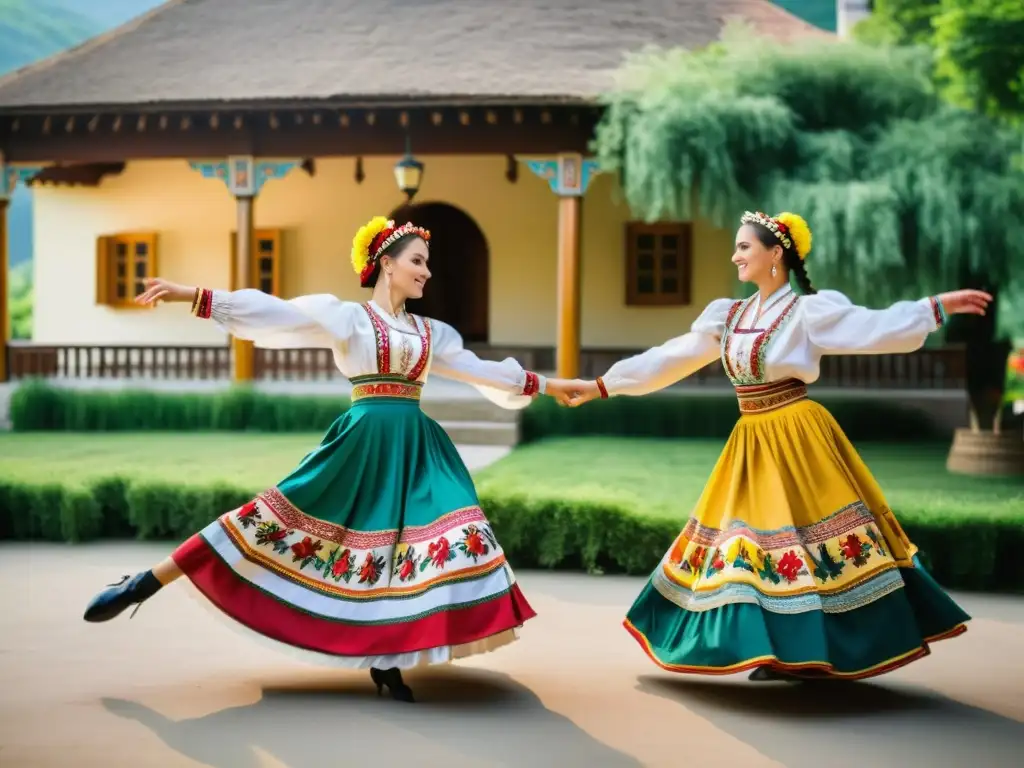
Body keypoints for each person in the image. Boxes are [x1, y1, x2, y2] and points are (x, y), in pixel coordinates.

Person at [83, 216, 580, 702]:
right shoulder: (348, 318)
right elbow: (274, 314)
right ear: (387, 263)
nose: (427, 271)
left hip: (416, 447)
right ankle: (145, 583)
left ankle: (389, 653)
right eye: (418, 261)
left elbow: (482, 372)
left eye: (428, 264)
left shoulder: (432, 334)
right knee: (268, 518)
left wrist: (555, 387)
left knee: (457, 530)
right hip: (360, 443)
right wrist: (191, 294)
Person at [562, 211, 991, 681]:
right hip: (751, 439)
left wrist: (934, 307)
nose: (735, 256)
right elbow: (673, 357)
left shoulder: (808, 311)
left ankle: (810, 649)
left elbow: (873, 327)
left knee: (808, 546)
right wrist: (603, 384)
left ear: (775, 254)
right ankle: (771, 648)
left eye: (744, 247)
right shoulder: (731, 314)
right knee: (750, 544)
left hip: (799, 437)